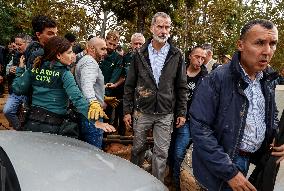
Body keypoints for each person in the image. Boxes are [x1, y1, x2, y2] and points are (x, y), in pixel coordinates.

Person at [189, 19, 284, 191]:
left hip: (255, 161)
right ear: (240, 45)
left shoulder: (268, 79)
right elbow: (200, 129)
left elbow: (271, 114)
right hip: (223, 165)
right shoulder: (216, 80)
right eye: (260, 43)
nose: (267, 51)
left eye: (273, 44)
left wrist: (277, 137)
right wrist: (229, 172)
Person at [123, 12, 188, 182]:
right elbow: (129, 84)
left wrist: (181, 111)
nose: (163, 31)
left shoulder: (177, 54)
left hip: (166, 113)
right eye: (160, 26)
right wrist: (127, 111)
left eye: (167, 27)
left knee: (161, 152)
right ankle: (132, 181)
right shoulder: (139, 54)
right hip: (142, 110)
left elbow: (181, 85)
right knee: (137, 148)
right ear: (152, 28)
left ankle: (156, 185)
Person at [12, 36, 115, 136]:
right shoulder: (65, 74)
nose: (73, 55)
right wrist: (96, 122)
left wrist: (20, 70)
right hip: (53, 125)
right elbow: (77, 99)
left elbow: (17, 88)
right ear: (58, 55)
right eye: (69, 52)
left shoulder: (35, 68)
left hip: (32, 122)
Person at [168, 46, 208, 190]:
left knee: (180, 152)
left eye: (203, 58)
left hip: (191, 120)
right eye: (197, 56)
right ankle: (170, 174)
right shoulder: (180, 71)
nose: (200, 60)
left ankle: (176, 183)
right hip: (172, 115)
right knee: (170, 148)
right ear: (190, 56)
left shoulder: (206, 77)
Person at [75, 37, 117, 148]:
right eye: (102, 49)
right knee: (93, 153)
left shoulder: (85, 60)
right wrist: (94, 101)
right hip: (92, 114)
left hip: (86, 112)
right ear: (92, 49)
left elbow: (88, 85)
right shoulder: (90, 62)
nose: (105, 52)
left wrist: (102, 97)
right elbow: (87, 85)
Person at [114, 33, 145, 136]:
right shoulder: (125, 58)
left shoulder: (150, 58)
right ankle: (122, 140)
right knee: (123, 117)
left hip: (143, 94)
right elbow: (121, 74)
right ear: (131, 44)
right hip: (126, 92)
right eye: (135, 43)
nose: (138, 46)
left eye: (141, 44)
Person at [3, 34, 32, 130]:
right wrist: (10, 70)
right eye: (16, 44)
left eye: (20, 44)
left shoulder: (35, 55)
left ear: (28, 43)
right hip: (16, 90)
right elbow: (7, 69)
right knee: (7, 111)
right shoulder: (15, 55)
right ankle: (19, 130)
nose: (17, 46)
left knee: (27, 116)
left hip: (30, 93)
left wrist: (21, 68)